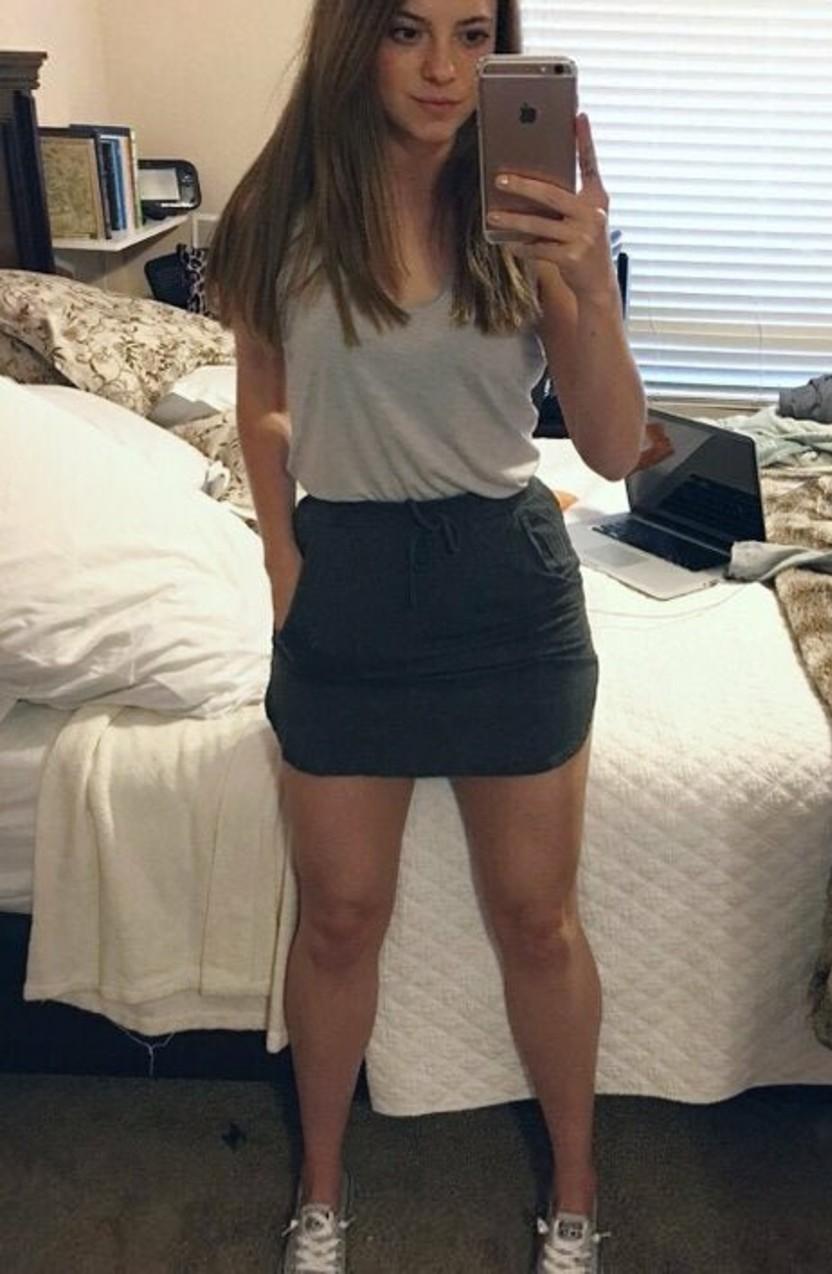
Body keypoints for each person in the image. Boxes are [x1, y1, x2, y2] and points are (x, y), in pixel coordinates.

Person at [206, 1, 646, 1270]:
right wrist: (284, 559)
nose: (447, 68)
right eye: (408, 31)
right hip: (347, 589)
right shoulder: (280, 211)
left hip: (507, 591)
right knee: (340, 916)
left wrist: (590, 285)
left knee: (539, 919)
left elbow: (615, 446)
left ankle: (576, 1193)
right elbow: (259, 391)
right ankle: (321, 1190)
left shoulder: (522, 207)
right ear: (357, 40)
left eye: (472, 33)